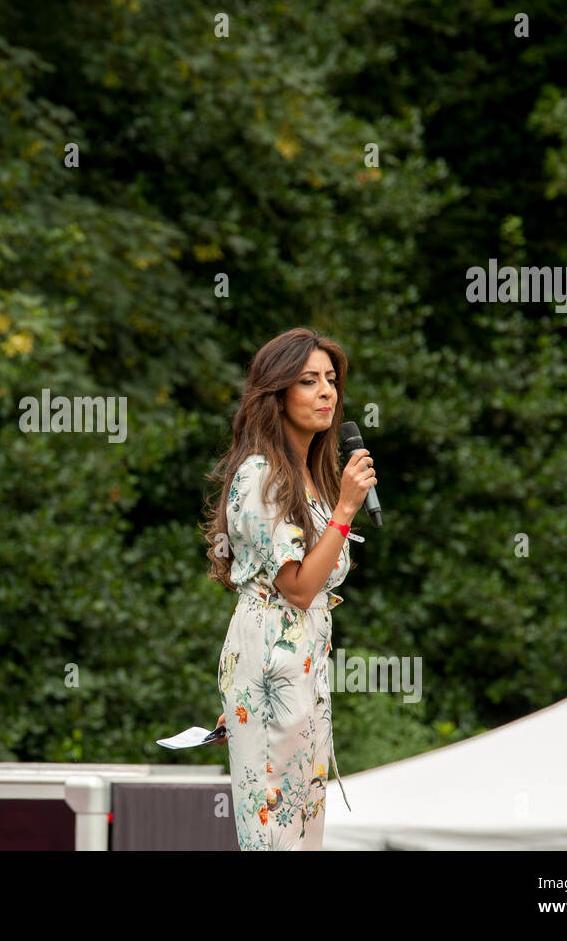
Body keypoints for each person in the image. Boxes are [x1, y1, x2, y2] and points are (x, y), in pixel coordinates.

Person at [202, 328, 377, 850]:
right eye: (308, 381)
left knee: (302, 836)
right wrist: (345, 510)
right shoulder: (260, 475)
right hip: (274, 667)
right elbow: (297, 588)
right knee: (273, 834)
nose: (327, 392)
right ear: (276, 394)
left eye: (330, 380)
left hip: (301, 670)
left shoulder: (307, 477)